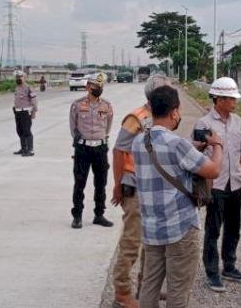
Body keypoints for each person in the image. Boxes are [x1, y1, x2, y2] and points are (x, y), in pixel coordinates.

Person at [132, 85, 222, 308]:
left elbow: (165, 156)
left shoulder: (139, 142)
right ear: (174, 112)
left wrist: (193, 147)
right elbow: (213, 170)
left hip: (152, 227)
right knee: (178, 290)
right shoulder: (178, 144)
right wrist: (217, 145)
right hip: (180, 227)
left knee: (149, 285)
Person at [111, 74, 172, 308]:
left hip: (153, 188)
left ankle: (146, 287)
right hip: (135, 187)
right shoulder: (136, 118)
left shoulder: (161, 118)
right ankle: (122, 294)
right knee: (132, 241)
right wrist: (117, 185)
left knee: (153, 242)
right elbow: (118, 151)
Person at [192, 77, 241, 292]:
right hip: (215, 184)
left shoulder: (238, 121)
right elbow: (195, 153)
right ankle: (212, 272)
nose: (235, 102)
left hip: (235, 183)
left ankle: (230, 266)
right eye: (231, 98)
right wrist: (202, 143)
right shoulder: (204, 123)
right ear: (219, 99)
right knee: (213, 229)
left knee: (234, 227)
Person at [69, 72, 114, 229]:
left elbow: (108, 126)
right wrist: (81, 142)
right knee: (80, 183)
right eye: (96, 86)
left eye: (101, 86)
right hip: (83, 148)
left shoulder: (106, 105)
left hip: (100, 149)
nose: (99, 88)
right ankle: (77, 216)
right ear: (88, 86)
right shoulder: (77, 104)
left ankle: (99, 214)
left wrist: (102, 138)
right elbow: (73, 127)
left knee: (101, 183)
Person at [12, 70, 37, 157]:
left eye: (20, 77)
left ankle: (30, 150)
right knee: (19, 131)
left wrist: (34, 112)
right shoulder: (16, 87)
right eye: (17, 77)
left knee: (27, 131)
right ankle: (23, 148)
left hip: (26, 112)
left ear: (24, 77)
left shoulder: (28, 87)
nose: (18, 78)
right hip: (18, 112)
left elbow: (34, 100)